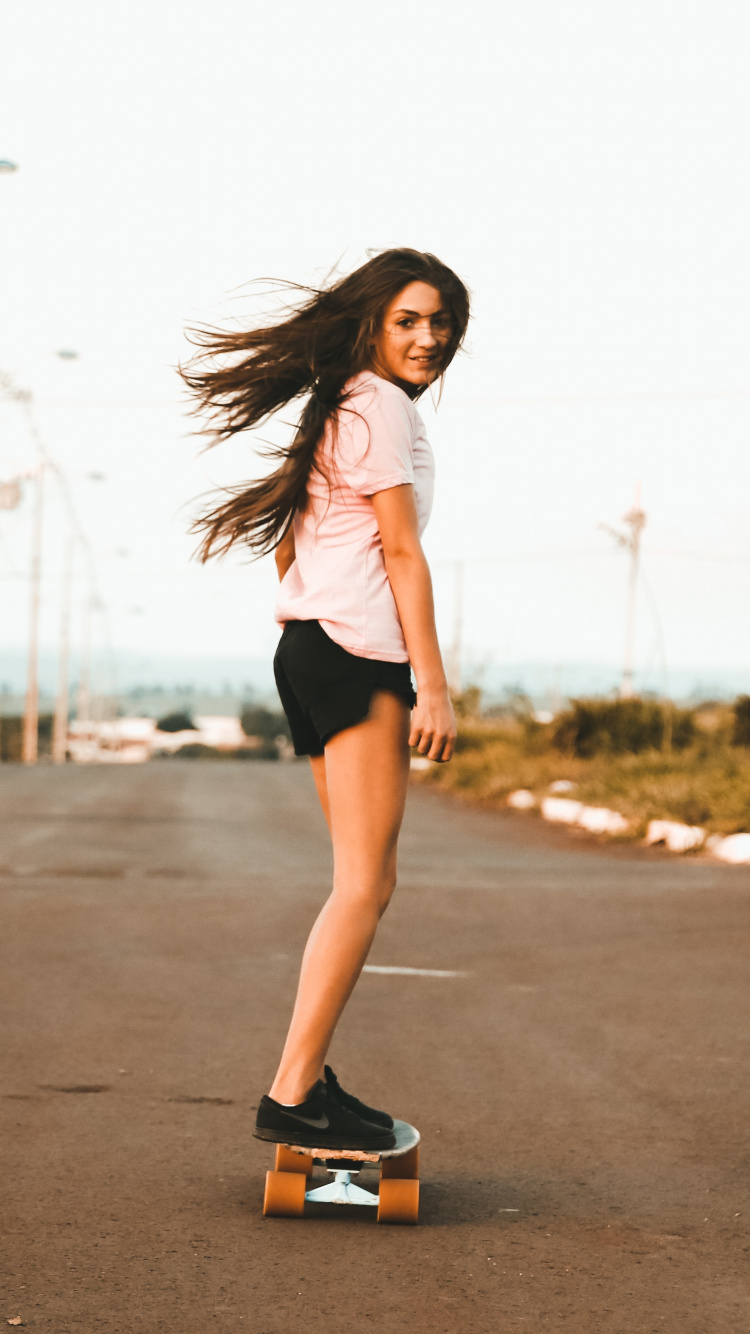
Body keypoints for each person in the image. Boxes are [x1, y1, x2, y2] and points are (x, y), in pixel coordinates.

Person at [182, 249, 471, 1150]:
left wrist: (311, 627)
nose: (429, 338)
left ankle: (304, 1078)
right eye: (409, 321)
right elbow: (399, 552)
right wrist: (432, 683)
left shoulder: (341, 400)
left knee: (360, 880)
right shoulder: (377, 403)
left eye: (441, 321)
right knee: (363, 884)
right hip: (357, 652)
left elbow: (292, 538)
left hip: (311, 647)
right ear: (374, 325)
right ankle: (293, 1089)